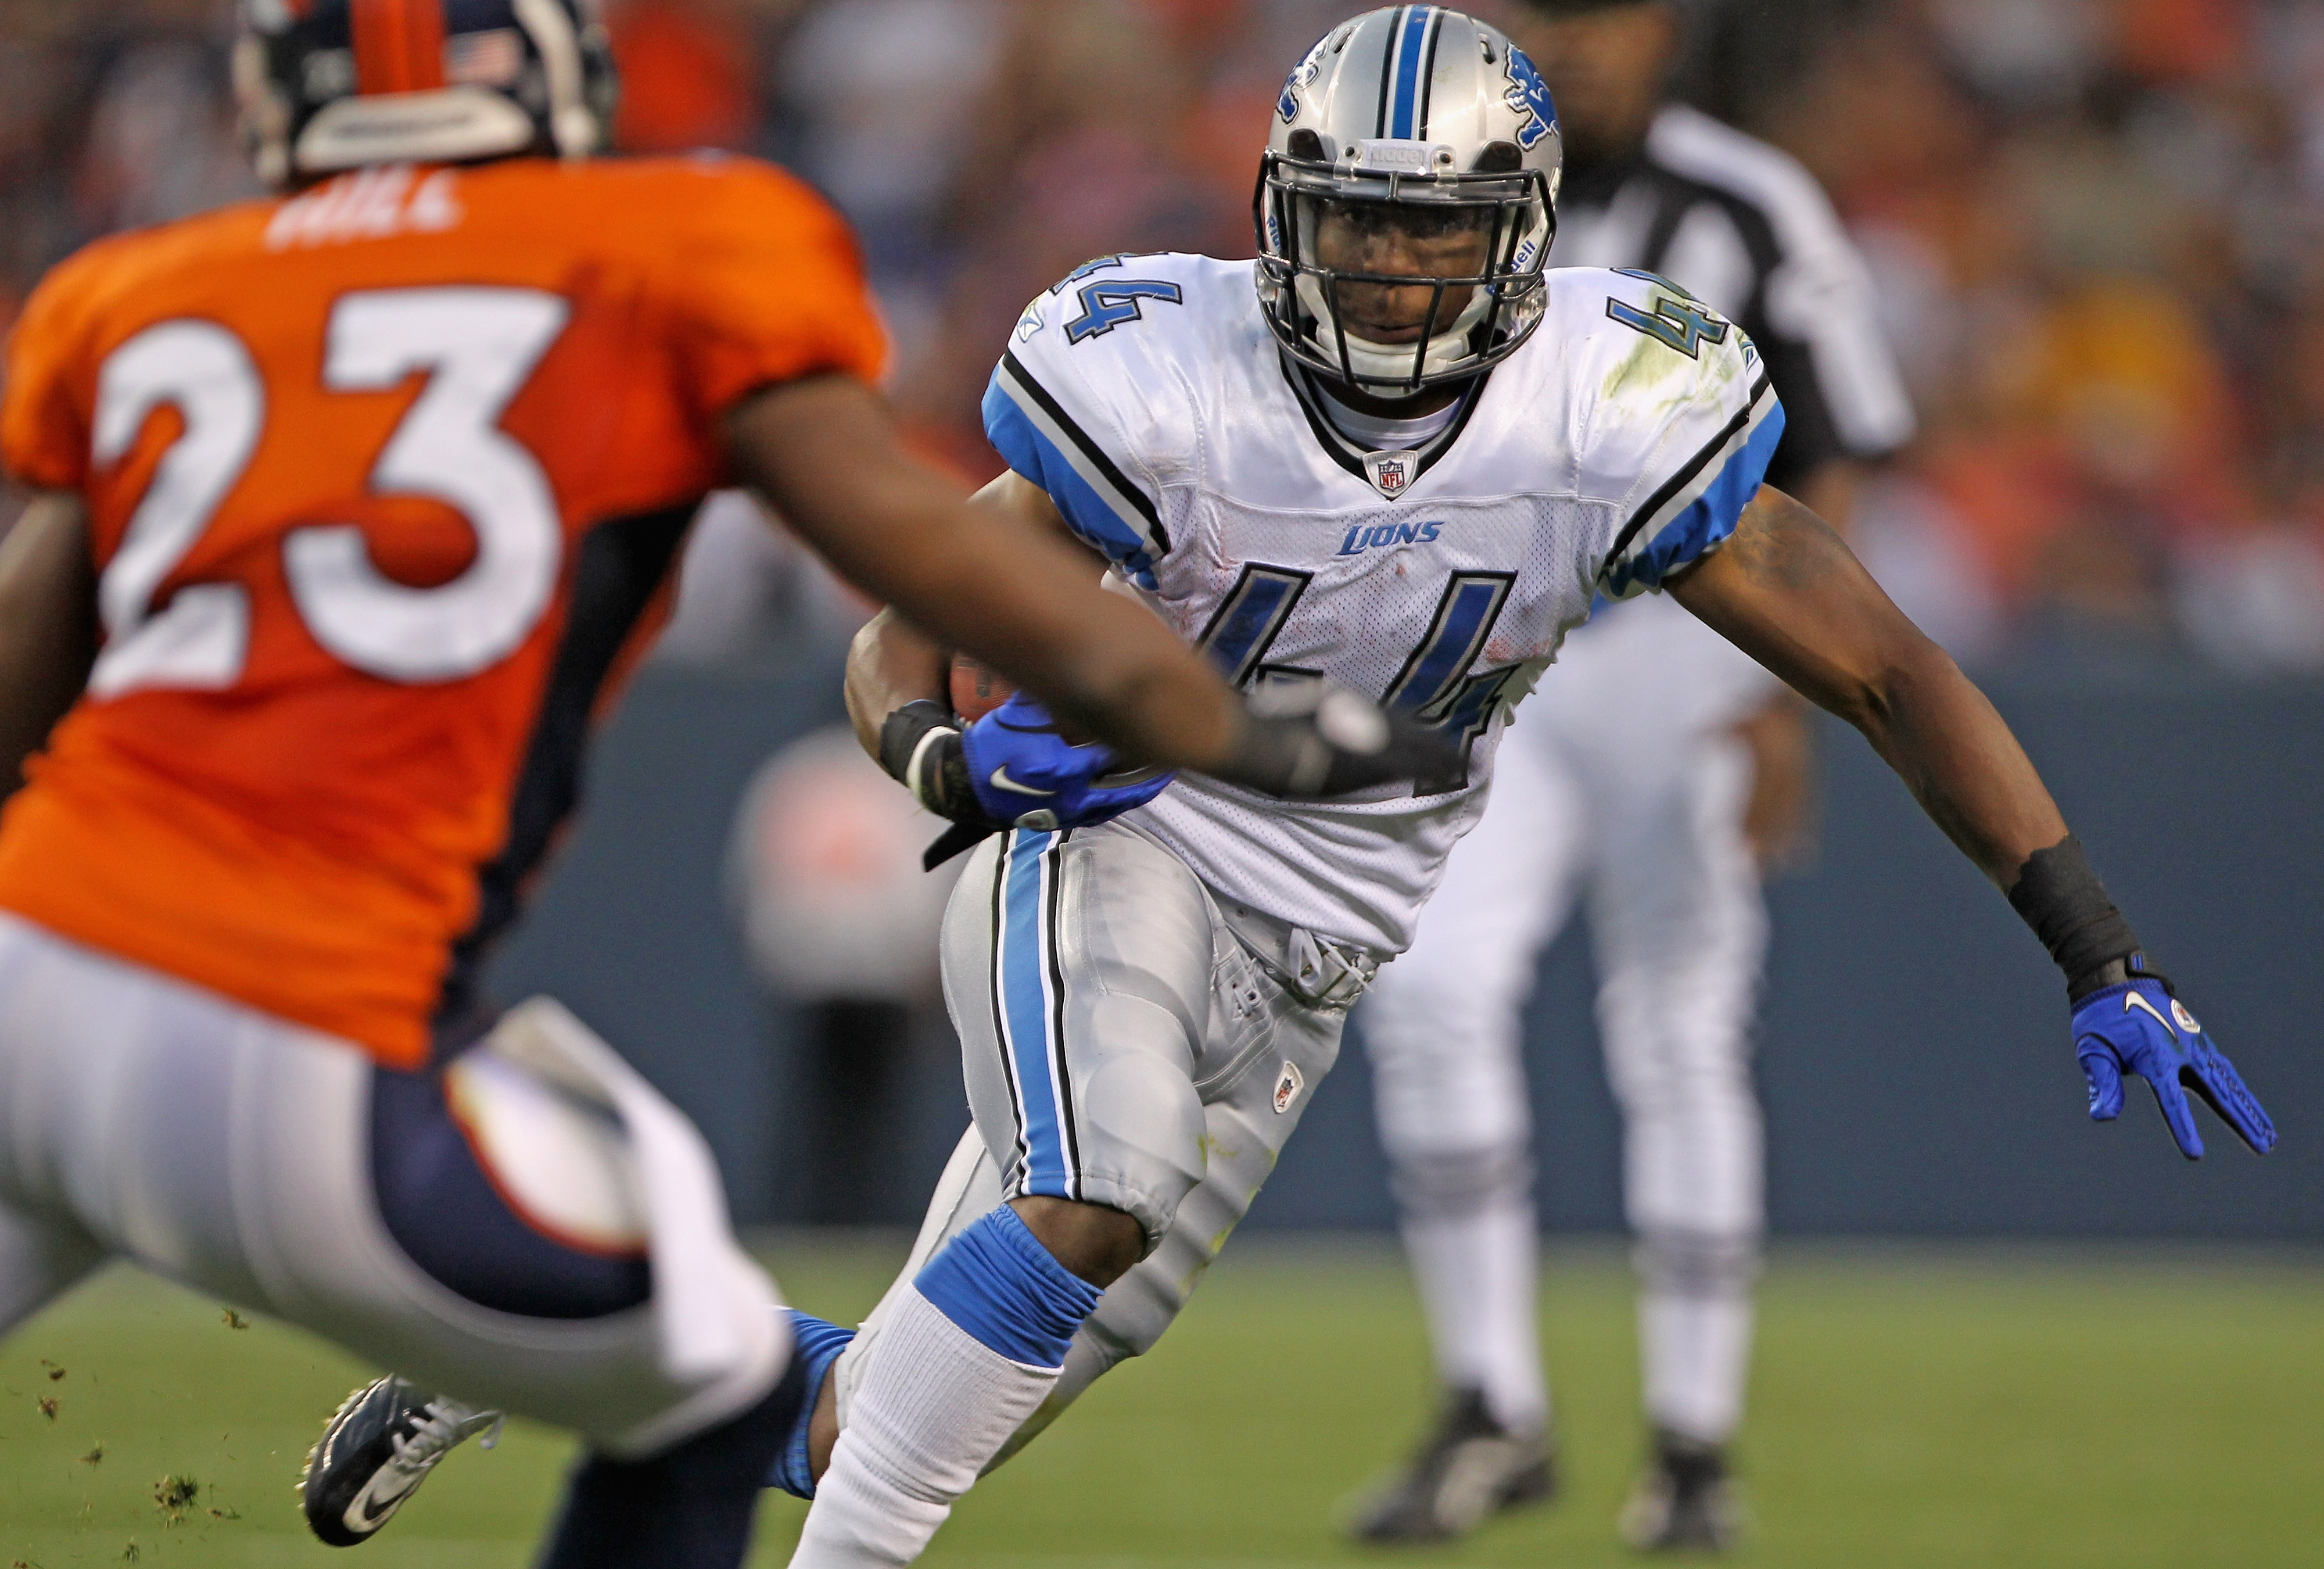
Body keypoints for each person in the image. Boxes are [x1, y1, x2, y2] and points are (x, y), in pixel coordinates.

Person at [768, 10, 2272, 1569]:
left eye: (1434, 226)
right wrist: (939, 758)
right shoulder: (1159, 372)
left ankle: (535, 1323)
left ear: (1526, 238)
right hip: (1132, 847)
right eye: (1352, 214)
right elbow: (908, 625)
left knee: (895, 1414)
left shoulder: (1612, 408)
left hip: (1322, 952)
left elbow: (1886, 666)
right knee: (1100, 1187)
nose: (1385, 264)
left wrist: (2097, 943)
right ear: (1283, 207)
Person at [0, 3, 1429, 1565]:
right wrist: (1248, 732)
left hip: (30, 956)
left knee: (815, 1375)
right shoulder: (671, 242)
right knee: (713, 1381)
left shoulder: (133, 289)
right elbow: (930, 555)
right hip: (280, 1025)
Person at [1346, 0, 1919, 1549]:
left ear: (1663, 31)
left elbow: (1839, 433)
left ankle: (1690, 1437)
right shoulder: (1432, 177)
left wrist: (1792, 688)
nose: (1580, 50)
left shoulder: (1745, 200)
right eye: (1548, 15)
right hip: (1499, 650)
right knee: (1431, 987)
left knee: (1677, 1027)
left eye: (1604, 15)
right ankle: (1490, 1400)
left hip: (1686, 649)